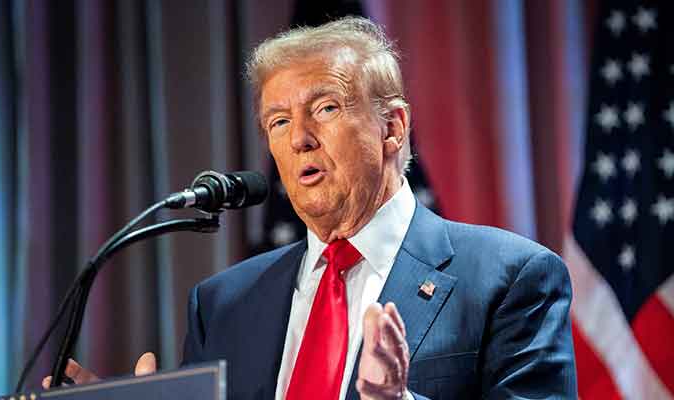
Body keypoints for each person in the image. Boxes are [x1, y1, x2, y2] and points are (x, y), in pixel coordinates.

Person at [44, 17, 577, 399]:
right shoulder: (223, 304)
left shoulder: (509, 278)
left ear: (392, 128)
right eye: (278, 121)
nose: (299, 138)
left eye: (325, 108)